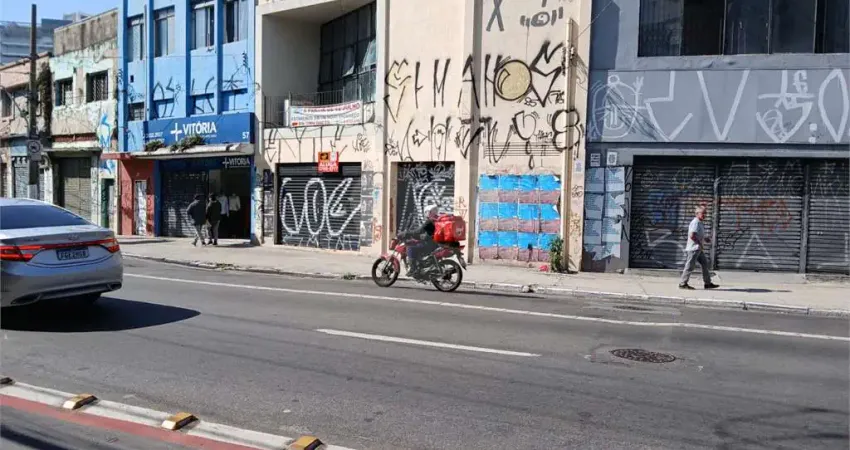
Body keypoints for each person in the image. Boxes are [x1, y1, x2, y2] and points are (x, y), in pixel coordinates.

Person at [679, 205, 720, 290]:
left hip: (698, 248)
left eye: (705, 213)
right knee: (689, 266)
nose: (705, 215)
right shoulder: (695, 222)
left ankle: (707, 283)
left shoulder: (700, 222)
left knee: (705, 264)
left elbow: (697, 235)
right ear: (697, 213)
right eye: (703, 213)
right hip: (693, 248)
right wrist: (699, 243)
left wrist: (705, 239)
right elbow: (692, 235)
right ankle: (683, 283)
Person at [399, 205, 440, 275]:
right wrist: (419, 237)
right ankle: (420, 266)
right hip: (434, 243)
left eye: (427, 212)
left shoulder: (430, 221)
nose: (426, 214)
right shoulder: (437, 219)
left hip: (429, 244)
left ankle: (413, 269)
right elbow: (427, 233)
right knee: (416, 244)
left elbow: (418, 231)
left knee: (410, 248)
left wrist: (406, 233)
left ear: (429, 212)